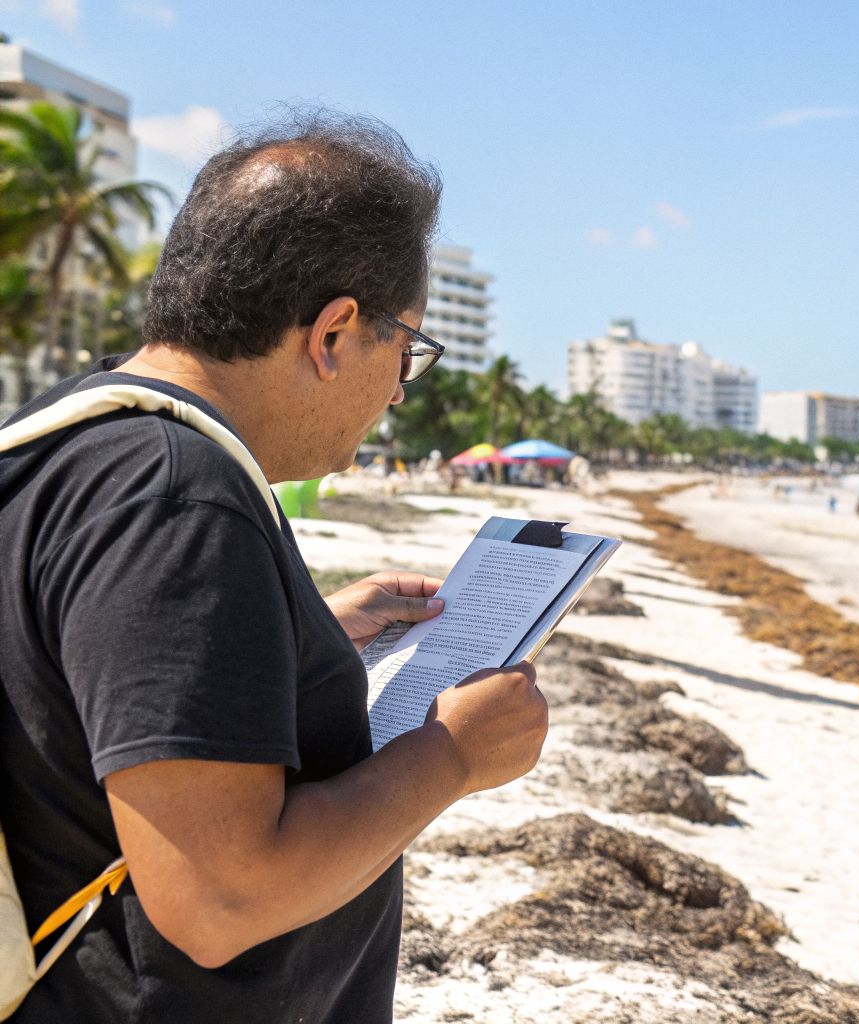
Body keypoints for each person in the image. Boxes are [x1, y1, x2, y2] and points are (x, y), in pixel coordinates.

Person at [0, 112, 547, 1023]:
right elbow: (221, 898)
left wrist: (298, 642)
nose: (401, 388)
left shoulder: (71, 438)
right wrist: (452, 756)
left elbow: (73, 689)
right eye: (405, 347)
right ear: (335, 333)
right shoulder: (177, 499)